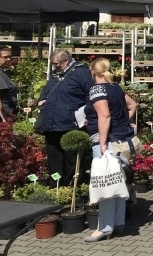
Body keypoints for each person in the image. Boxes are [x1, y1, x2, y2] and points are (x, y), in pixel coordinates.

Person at [83, 58, 137, 242]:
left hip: (107, 142)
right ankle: (119, 223)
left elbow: (104, 115)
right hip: (122, 139)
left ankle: (105, 227)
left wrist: (103, 141)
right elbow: (133, 105)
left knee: (105, 183)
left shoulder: (97, 89)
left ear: (93, 72)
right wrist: (122, 123)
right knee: (117, 181)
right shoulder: (115, 87)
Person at [36, 49, 94, 187]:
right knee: (54, 159)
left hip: (70, 123)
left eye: (56, 64)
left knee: (72, 160)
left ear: (66, 61)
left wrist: (86, 114)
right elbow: (46, 92)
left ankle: (71, 188)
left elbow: (91, 96)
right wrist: (42, 100)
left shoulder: (81, 73)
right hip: (51, 124)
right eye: (53, 64)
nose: (54, 66)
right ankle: (55, 187)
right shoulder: (56, 74)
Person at [0, 46, 18, 121]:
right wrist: (4, 118)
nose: (8, 59)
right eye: (5, 57)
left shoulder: (2, 71)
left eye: (10, 57)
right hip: (1, 116)